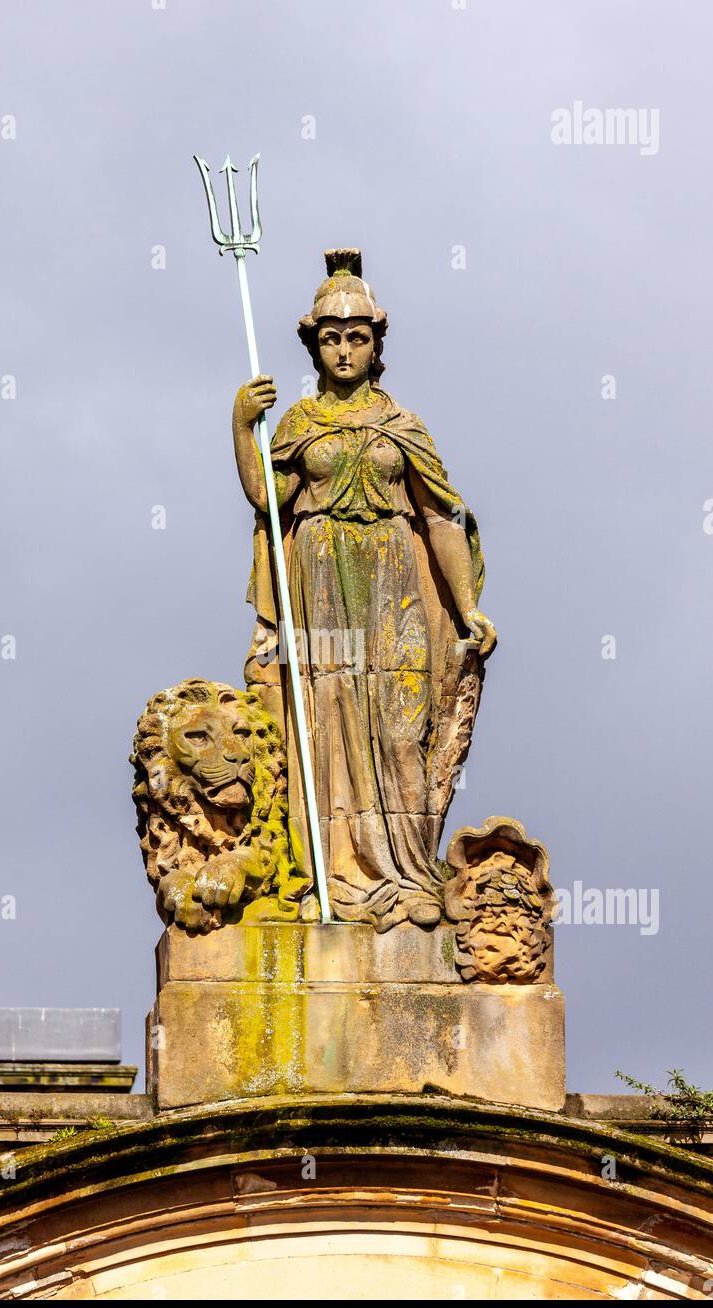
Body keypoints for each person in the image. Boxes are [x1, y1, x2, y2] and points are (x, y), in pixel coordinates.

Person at [233, 250, 496, 929]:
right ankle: (332, 875)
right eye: (330, 338)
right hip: (320, 581)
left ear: (376, 343)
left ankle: (405, 870)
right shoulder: (296, 424)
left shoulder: (403, 427)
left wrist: (466, 608)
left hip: (395, 585)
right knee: (327, 720)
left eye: (356, 337)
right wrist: (241, 426)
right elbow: (268, 499)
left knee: (400, 722)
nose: (343, 350)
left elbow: (440, 517)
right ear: (312, 344)